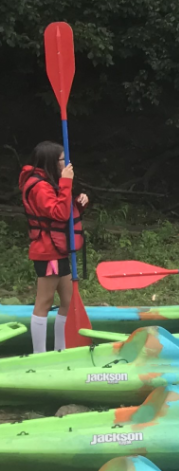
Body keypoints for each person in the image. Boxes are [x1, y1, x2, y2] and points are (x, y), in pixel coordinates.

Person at [19, 141, 89, 353]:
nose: (66, 164)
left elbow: (63, 210)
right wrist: (67, 182)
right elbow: (57, 213)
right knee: (44, 302)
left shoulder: (49, 182)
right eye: (62, 160)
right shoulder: (38, 186)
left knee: (68, 301)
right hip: (47, 252)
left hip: (58, 251)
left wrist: (77, 203)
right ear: (51, 161)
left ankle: (61, 349)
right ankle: (39, 354)